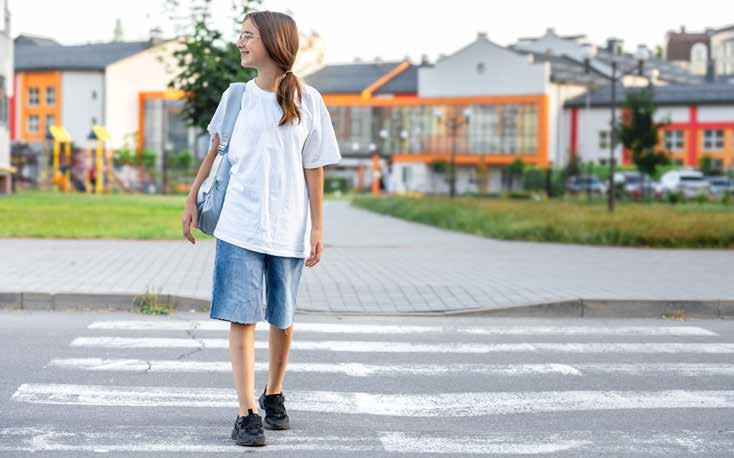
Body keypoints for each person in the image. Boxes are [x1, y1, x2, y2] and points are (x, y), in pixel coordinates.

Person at [180, 10, 341, 448]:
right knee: (242, 316)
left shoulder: (308, 100)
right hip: (238, 226)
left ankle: (274, 393)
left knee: (282, 318)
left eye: (248, 35)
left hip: (289, 227)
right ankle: (247, 411)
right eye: (241, 35)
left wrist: (318, 228)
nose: (240, 42)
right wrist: (192, 199)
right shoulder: (236, 96)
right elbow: (215, 152)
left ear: (273, 42)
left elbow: (314, 168)